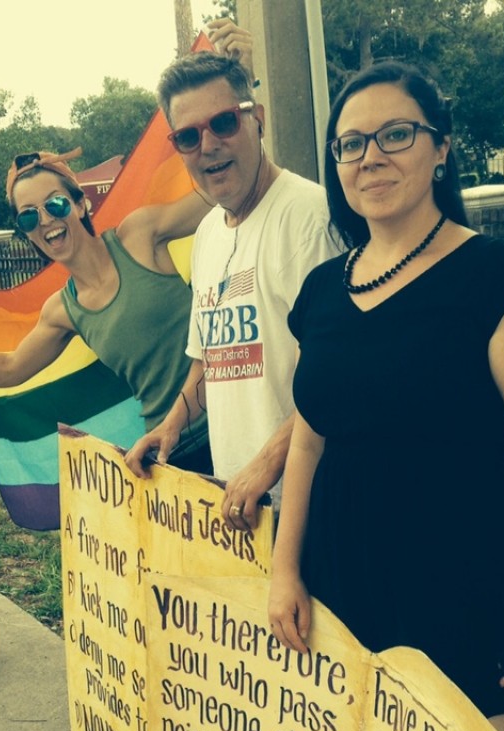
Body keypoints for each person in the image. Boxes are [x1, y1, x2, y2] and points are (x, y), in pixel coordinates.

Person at [267, 62, 504, 731]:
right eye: (350, 144)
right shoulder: (322, 290)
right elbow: (310, 441)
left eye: (395, 135)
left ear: (441, 149)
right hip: (339, 580)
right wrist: (284, 570)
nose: (369, 157)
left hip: (462, 582)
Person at [0, 22, 257, 478]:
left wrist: (244, 88)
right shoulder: (63, 310)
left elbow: (221, 186)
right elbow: (9, 366)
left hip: (236, 422)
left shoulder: (139, 235)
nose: (45, 220)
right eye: (28, 216)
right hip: (170, 455)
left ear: (81, 203)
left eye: (55, 203)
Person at [124, 50, 341, 529]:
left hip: (311, 507)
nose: (208, 145)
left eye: (223, 123)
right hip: (239, 508)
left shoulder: (311, 220)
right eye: (187, 136)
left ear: (256, 120)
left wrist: (266, 465)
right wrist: (171, 426)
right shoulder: (207, 235)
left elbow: (338, 373)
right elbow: (209, 358)